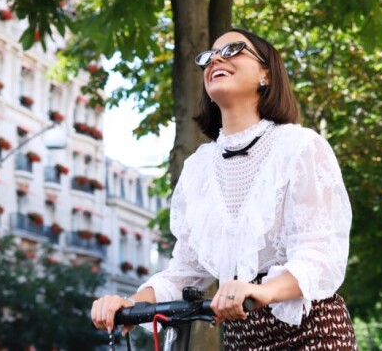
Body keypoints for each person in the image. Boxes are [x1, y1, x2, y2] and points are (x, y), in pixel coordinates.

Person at [91, 28, 357, 349]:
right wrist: (131, 303)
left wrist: (263, 291)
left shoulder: (299, 147)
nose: (216, 58)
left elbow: (320, 254)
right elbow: (187, 270)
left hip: (309, 329)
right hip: (239, 337)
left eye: (233, 50)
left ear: (266, 75)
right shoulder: (198, 168)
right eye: (209, 56)